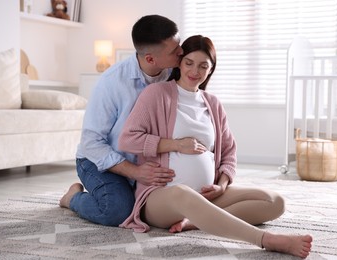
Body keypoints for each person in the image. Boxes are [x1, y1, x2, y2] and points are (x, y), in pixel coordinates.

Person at [118, 35, 313, 258]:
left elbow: (229, 150)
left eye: (203, 66)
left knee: (275, 202)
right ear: (179, 62)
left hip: (207, 194)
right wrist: (176, 145)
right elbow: (127, 139)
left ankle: (193, 221)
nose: (195, 71)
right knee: (183, 193)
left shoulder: (212, 103)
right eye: (189, 62)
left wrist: (221, 184)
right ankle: (266, 240)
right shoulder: (156, 94)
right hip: (161, 197)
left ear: (211, 70)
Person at [59, 15, 183, 226]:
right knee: (117, 211)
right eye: (174, 50)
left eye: (179, 45)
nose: (181, 52)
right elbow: (91, 144)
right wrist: (135, 172)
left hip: (147, 162)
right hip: (99, 162)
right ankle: (72, 198)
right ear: (151, 59)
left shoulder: (176, 73)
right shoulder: (111, 83)